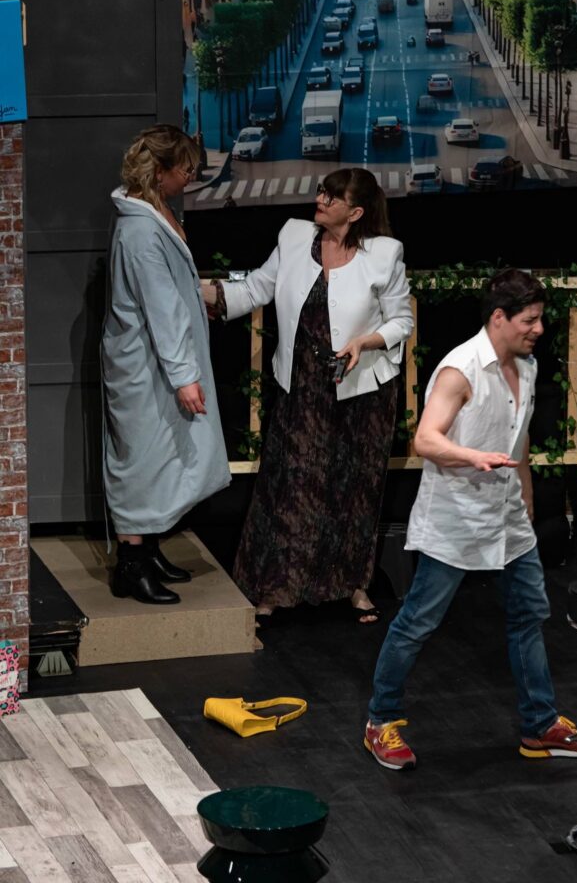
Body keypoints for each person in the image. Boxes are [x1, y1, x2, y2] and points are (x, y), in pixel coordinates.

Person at [364, 269, 577, 769]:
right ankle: (380, 720)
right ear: (499, 317)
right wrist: (472, 456)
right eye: (529, 320)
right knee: (418, 621)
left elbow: (520, 437)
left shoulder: (527, 367)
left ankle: (540, 725)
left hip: (508, 517)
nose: (538, 329)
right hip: (456, 520)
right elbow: (425, 439)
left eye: (539, 319)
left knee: (529, 615)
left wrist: (527, 497)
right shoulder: (461, 369)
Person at [203, 169, 413, 626]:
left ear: (355, 212)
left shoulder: (384, 254)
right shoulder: (295, 236)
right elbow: (257, 288)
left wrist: (365, 342)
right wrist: (202, 293)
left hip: (362, 392)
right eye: (321, 191)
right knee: (294, 487)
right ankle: (276, 587)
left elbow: (401, 321)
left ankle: (353, 585)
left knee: (354, 490)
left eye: (332, 196)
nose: (320, 199)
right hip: (303, 388)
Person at [102, 125, 231, 604]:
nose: (191, 176)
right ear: (159, 172)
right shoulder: (140, 231)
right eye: (185, 169)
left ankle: (149, 548)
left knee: (160, 457)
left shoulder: (156, 211)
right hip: (145, 365)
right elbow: (160, 306)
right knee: (141, 459)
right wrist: (184, 376)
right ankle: (130, 566)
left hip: (160, 358)